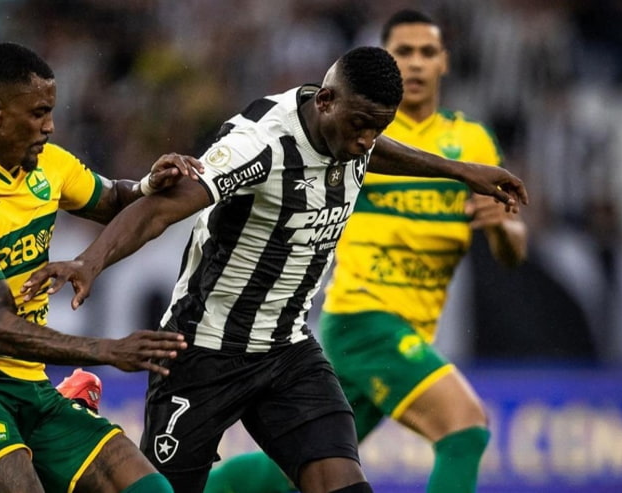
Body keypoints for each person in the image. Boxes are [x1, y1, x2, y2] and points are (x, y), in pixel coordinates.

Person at [22, 45, 528, 493]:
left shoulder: (353, 128)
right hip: (203, 350)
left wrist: (460, 171)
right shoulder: (259, 144)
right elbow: (161, 208)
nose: (365, 141)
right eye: (359, 126)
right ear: (325, 102)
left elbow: (371, 142)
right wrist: (91, 261)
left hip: (287, 352)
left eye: (379, 129)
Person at [202, 10, 528, 493]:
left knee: (297, 473)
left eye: (427, 52)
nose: (415, 64)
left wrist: (502, 229)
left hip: (409, 328)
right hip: (363, 318)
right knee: (465, 428)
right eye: (403, 53)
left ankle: (216, 488)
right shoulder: (358, 132)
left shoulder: (471, 141)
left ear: (445, 63)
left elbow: (512, 250)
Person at [0, 42, 204, 493]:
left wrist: (150, 182)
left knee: (149, 488)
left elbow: (113, 201)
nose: (50, 126)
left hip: (30, 382)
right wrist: (106, 351)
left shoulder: (49, 164)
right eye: (39, 113)